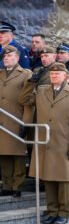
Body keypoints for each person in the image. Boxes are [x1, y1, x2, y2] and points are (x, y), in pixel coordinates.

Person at [18, 62, 69, 224]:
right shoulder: (41, 91)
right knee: (48, 178)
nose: (54, 76)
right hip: (45, 142)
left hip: (63, 142)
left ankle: (63, 212)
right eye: (52, 74)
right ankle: (52, 210)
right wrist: (31, 83)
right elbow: (23, 99)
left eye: (57, 74)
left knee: (63, 181)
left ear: (65, 76)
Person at [0, 46, 33, 197]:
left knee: (18, 154)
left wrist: (25, 123)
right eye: (4, 56)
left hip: (16, 118)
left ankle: (17, 185)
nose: (6, 58)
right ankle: (6, 184)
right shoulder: (0, 73)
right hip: (2, 120)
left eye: (10, 56)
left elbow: (29, 101)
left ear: (17, 58)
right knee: (4, 154)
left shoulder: (25, 74)